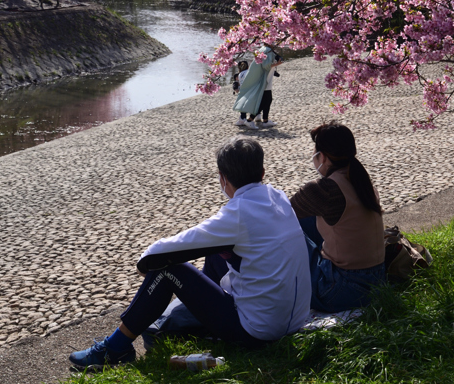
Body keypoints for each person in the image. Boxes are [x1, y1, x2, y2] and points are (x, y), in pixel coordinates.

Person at [68, 137, 311, 371]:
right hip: (294, 320)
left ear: (223, 178)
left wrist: (144, 265)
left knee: (166, 270)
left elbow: (163, 250)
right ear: (262, 172)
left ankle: (115, 348)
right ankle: (196, 314)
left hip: (258, 332)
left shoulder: (238, 214)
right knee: (219, 251)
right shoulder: (277, 196)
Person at [289, 122, 386, 312]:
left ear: (322, 157)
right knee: (310, 220)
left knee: (289, 231)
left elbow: (283, 213)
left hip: (341, 289)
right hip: (377, 280)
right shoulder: (361, 180)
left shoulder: (325, 190)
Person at [234, 44, 281, 129]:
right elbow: (266, 66)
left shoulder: (264, 49)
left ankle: (265, 120)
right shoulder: (267, 50)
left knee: (268, 100)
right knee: (264, 102)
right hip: (264, 80)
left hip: (266, 79)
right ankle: (250, 120)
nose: (275, 42)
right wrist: (277, 63)